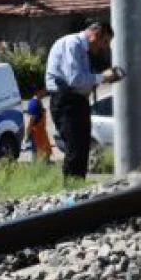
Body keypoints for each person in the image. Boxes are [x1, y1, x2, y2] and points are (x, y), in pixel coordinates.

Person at [46, 22, 123, 179]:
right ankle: (71, 193)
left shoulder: (81, 49)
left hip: (77, 101)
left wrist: (102, 79)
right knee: (75, 149)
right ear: (95, 35)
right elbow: (74, 79)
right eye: (105, 42)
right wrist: (103, 76)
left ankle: (78, 188)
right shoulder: (72, 44)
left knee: (81, 148)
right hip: (66, 102)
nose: (104, 47)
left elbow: (82, 80)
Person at [23, 88, 53, 162]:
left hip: (42, 133)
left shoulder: (38, 101)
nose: (45, 92)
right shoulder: (33, 104)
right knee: (39, 156)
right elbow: (30, 121)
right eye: (43, 90)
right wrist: (27, 135)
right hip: (36, 135)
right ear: (38, 91)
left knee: (47, 153)